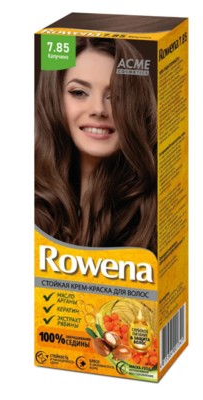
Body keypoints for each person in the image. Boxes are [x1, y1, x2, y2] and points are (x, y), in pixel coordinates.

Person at [35, 37, 157, 253]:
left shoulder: (156, 211)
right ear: (54, 99)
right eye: (79, 92)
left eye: (117, 95)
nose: (99, 109)